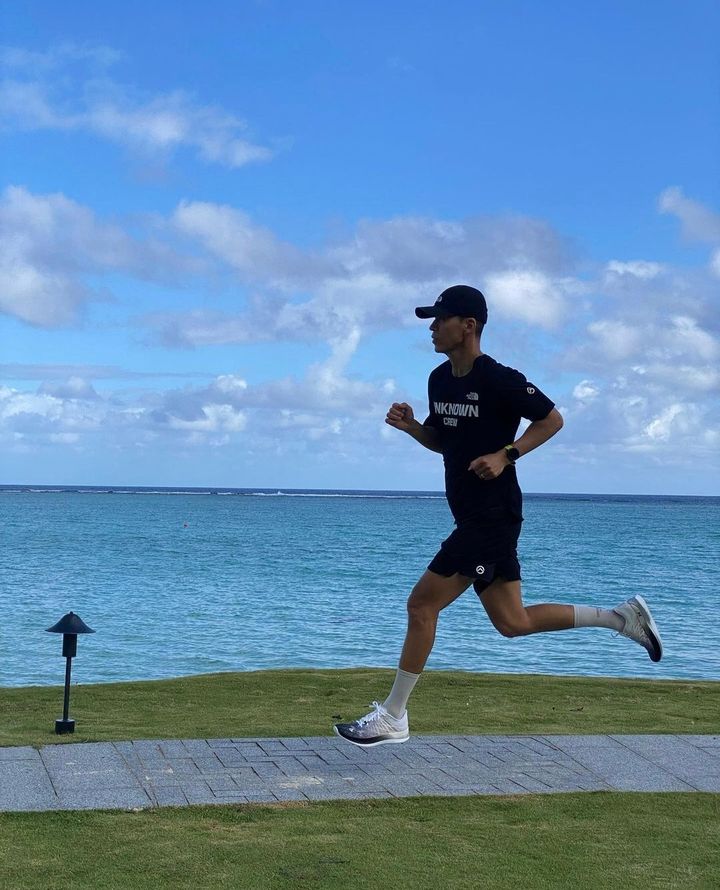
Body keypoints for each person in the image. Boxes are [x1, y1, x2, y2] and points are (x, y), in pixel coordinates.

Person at [334, 284, 663, 748]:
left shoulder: (500, 379)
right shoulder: (438, 380)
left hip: (491, 516)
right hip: (472, 515)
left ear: (468, 326)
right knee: (513, 623)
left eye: (440, 319)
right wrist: (412, 428)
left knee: (421, 605)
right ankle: (620, 619)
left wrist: (507, 454)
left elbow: (552, 420)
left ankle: (394, 715)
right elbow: (442, 441)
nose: (431, 328)